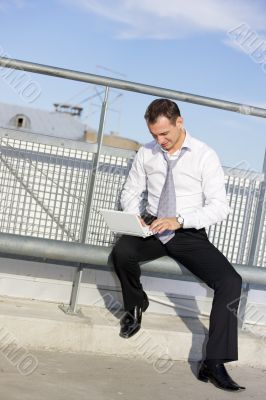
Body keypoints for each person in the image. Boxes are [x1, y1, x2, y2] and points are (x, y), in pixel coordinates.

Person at [111, 98, 245, 392]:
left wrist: (180, 220)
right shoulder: (147, 153)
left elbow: (220, 207)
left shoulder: (204, 155)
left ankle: (214, 362)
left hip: (188, 231)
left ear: (179, 123)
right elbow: (131, 191)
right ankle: (136, 306)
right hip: (152, 226)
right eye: (154, 135)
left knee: (231, 282)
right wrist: (137, 218)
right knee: (121, 253)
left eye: (164, 134)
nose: (160, 141)